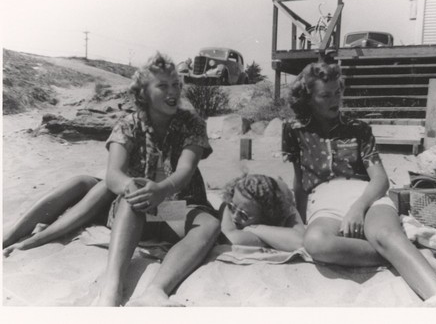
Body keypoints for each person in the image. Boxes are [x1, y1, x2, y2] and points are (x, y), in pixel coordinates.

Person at [282, 62, 436, 301]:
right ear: (308, 99)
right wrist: (300, 219)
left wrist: (358, 208)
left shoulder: (358, 128)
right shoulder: (294, 130)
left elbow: (380, 179)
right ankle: (405, 252)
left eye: (337, 92)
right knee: (316, 243)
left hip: (366, 195)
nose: (334, 100)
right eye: (325, 95)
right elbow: (299, 179)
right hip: (323, 199)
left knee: (386, 234)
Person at [94, 52, 219, 306]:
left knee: (209, 224)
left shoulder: (192, 123)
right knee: (133, 195)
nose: (172, 91)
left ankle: (156, 290)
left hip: (174, 210)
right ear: (144, 94)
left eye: (176, 85)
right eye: (162, 86)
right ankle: (111, 288)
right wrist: (130, 186)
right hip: (138, 211)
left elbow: (186, 169)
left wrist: (162, 190)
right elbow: (113, 174)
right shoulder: (128, 124)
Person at [219, 174, 304, 251]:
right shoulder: (230, 200)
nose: (235, 216)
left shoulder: (287, 210)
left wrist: (255, 228)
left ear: (265, 217)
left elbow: (300, 242)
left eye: (243, 215)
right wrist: (275, 241)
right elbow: (230, 238)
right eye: (232, 208)